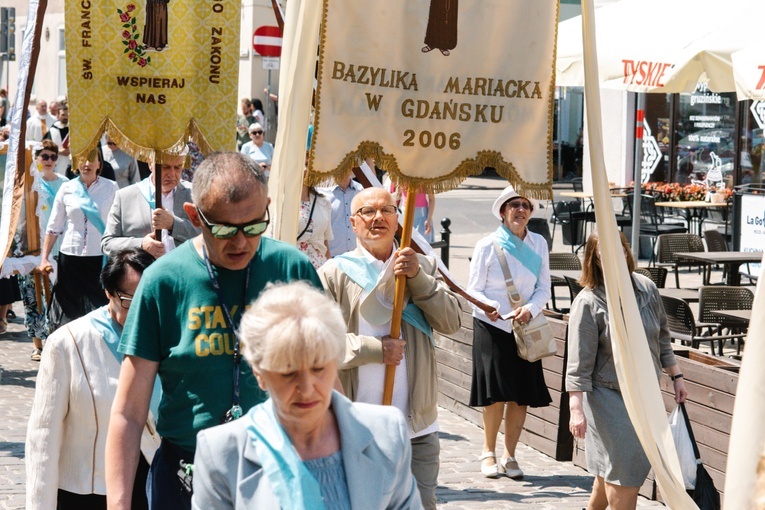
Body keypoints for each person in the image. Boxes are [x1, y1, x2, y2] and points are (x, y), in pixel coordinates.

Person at [105, 152, 321, 510]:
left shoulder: (291, 269)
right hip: (186, 473)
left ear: (266, 208)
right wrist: (118, 504)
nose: (240, 242)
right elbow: (128, 412)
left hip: (279, 470)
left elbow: (327, 381)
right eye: (223, 229)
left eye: (253, 226)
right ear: (193, 216)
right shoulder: (163, 281)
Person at [191, 281, 422, 509]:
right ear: (259, 373)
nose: (307, 387)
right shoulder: (222, 453)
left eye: (318, 368)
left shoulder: (386, 433)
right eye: (288, 373)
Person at [319, 187, 461, 509]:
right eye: (367, 212)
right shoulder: (334, 274)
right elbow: (320, 344)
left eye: (387, 210)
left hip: (416, 427)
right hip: (357, 425)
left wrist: (418, 279)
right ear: (353, 223)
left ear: (399, 220)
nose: (378, 217)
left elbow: (452, 322)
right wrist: (373, 349)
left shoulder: (421, 265)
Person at [25, 248, 159, 509]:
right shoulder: (68, 343)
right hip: (88, 491)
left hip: (152, 484)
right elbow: (43, 434)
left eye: (152, 298)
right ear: (109, 293)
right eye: (131, 301)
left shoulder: (167, 336)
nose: (144, 311)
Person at [567, 232, 688, 510]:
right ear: (594, 260)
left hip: (645, 393)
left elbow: (662, 338)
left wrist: (676, 375)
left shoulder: (646, 288)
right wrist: (576, 409)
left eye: (620, 249)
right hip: (608, 396)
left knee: (610, 470)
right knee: (626, 474)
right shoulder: (588, 302)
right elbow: (578, 364)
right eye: (605, 253)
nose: (616, 257)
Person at [466, 185, 552, 479]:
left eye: (525, 206)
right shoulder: (487, 245)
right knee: (495, 394)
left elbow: (544, 288)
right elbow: (473, 289)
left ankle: (510, 455)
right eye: (514, 205)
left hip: (526, 326)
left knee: (520, 395)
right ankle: (488, 451)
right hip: (493, 325)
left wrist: (531, 309)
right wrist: (491, 306)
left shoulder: (539, 243)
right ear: (503, 212)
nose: (520, 210)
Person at [39, 151, 118, 331]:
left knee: (98, 311)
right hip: (70, 257)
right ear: (75, 163)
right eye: (82, 159)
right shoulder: (67, 188)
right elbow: (54, 227)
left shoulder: (111, 187)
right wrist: (44, 259)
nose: (87, 164)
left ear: (99, 164)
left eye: (92, 159)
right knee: (70, 312)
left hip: (100, 258)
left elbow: (119, 223)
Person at [18, 141, 69, 360]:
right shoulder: (31, 183)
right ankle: (36, 345)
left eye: (52, 157)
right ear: (37, 158)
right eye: (44, 156)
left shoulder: (66, 183)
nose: (48, 161)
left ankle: (52, 341)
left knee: (55, 297)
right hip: (33, 246)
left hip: (60, 248)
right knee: (32, 297)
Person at [102, 155, 197, 258]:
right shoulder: (125, 197)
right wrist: (141, 244)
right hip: (142, 272)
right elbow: (107, 244)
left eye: (177, 167)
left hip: (181, 271)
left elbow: (209, 235)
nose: (172, 174)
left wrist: (174, 224)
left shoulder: (195, 194)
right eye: (165, 167)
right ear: (150, 164)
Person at [320, 168, 364, 257]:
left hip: (357, 257)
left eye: (348, 162)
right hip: (332, 258)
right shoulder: (321, 193)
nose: (344, 167)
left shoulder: (361, 191)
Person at [297, 178, 333, 269]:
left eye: (307, 164)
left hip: (319, 267)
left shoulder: (323, 202)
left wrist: (329, 269)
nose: (305, 169)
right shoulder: (281, 202)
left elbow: (325, 240)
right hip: (293, 266)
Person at [44, 104, 71, 176]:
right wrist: (59, 152)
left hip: (70, 162)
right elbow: (47, 147)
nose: (65, 117)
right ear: (58, 115)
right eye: (63, 115)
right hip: (57, 162)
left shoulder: (73, 130)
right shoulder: (53, 130)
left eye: (67, 115)